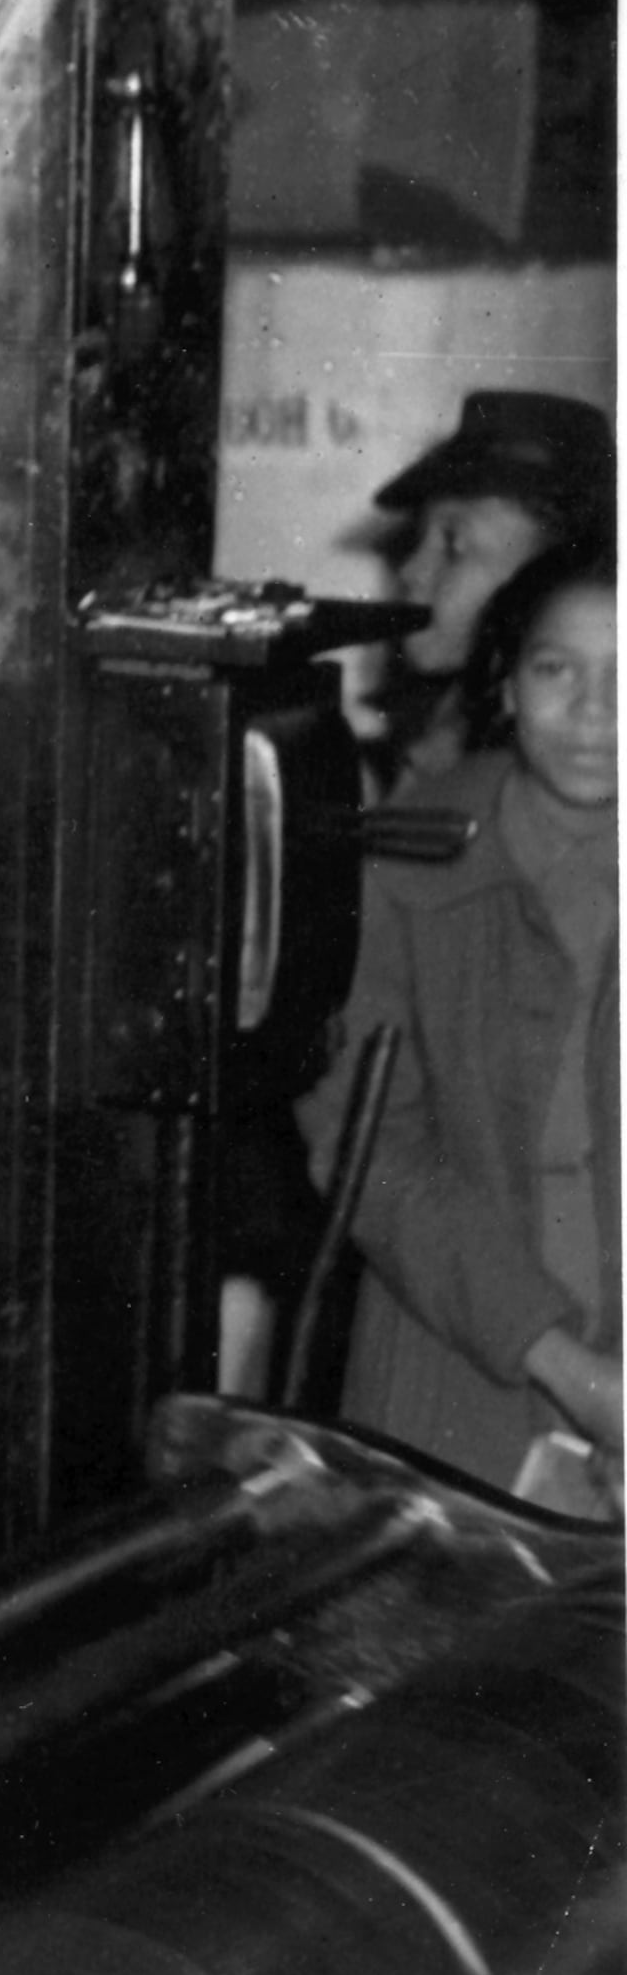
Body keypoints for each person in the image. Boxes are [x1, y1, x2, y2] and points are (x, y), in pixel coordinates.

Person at [310, 537, 618, 1515]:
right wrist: (576, 1373)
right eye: (555, 667)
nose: (593, 712)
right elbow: (368, 1154)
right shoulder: (409, 862)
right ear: (508, 681)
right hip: (458, 1391)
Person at [369, 390, 613, 789]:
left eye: (453, 546)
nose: (412, 570)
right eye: (418, 538)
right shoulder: (437, 727)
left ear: (549, 579)